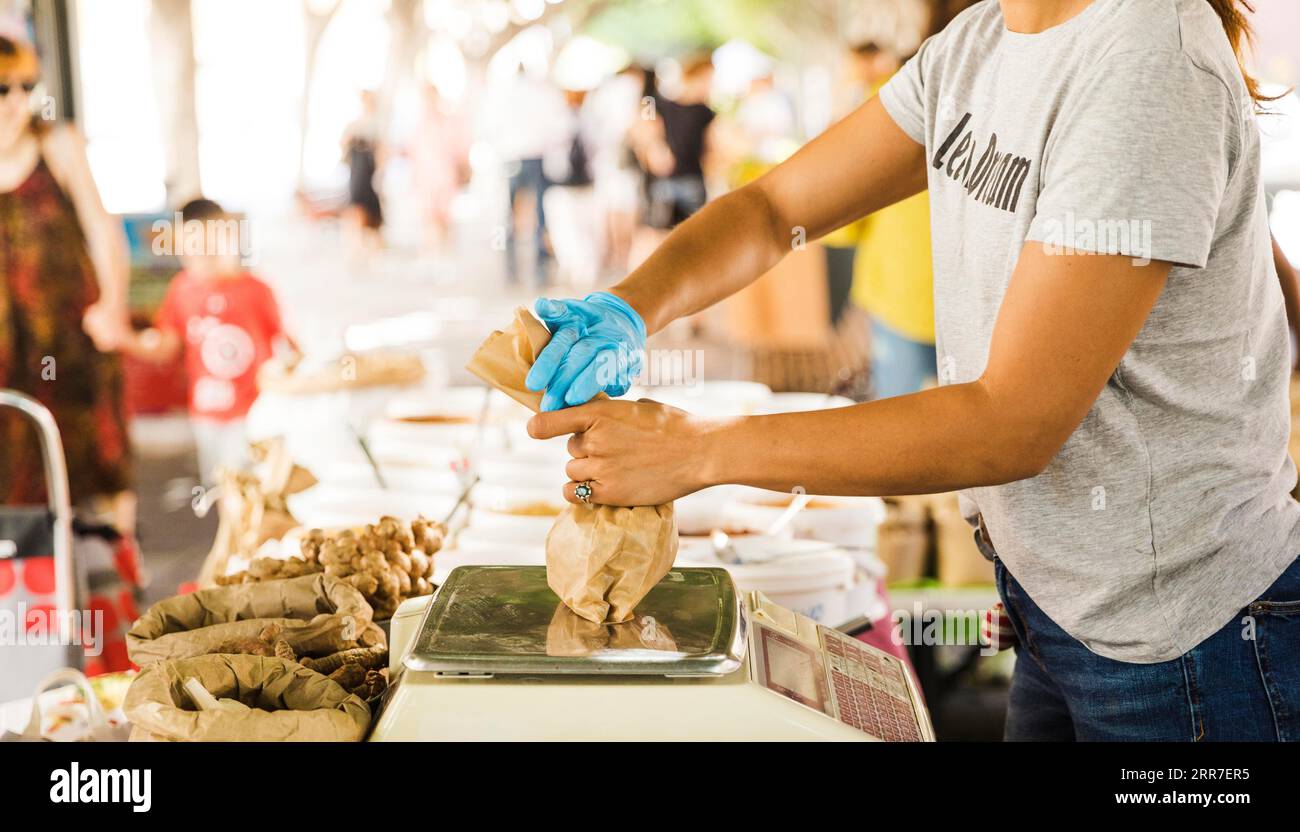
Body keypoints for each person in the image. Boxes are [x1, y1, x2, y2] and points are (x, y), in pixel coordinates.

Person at [524, 0, 1300, 741]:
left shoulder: (1147, 59)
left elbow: (1011, 425)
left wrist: (698, 450)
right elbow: (771, 210)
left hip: (1187, 644)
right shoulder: (978, 44)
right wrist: (627, 306)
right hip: (1054, 610)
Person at [0, 35, 135, 533]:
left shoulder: (58, 144)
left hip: (70, 335)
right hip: (5, 349)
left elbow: (102, 230)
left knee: (96, 460)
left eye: (27, 86)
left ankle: (117, 578)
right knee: (15, 470)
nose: (18, 101)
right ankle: (29, 586)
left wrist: (113, 305)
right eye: (3, 88)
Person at [120, 198, 291, 486]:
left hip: (254, 413)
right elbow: (165, 345)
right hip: (206, 416)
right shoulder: (181, 289)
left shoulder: (257, 291)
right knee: (221, 488)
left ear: (230, 238)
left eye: (209, 246)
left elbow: (287, 348)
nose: (201, 256)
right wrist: (124, 338)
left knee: (256, 488)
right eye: (191, 249)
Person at [629, 55, 716, 267]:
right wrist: (654, 147)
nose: (709, 86)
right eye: (707, 79)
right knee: (651, 238)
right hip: (663, 184)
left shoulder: (707, 113)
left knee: (689, 243)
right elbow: (640, 128)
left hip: (693, 182)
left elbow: (713, 149)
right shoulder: (659, 104)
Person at [411, 83, 469, 256]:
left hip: (445, 177)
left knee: (444, 219)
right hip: (425, 178)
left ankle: (444, 256)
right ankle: (434, 256)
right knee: (429, 219)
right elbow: (413, 153)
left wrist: (462, 170)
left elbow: (460, 150)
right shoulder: (419, 125)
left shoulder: (449, 121)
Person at [341, 90, 385, 254]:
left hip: (369, 173)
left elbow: (382, 150)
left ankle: (370, 246)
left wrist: (380, 173)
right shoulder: (354, 125)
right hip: (357, 173)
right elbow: (343, 145)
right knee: (356, 208)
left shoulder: (376, 125)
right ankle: (356, 246)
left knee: (371, 211)